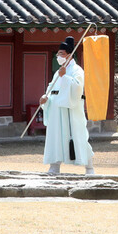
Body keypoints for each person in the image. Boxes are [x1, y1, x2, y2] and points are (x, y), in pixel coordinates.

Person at [41, 36, 94, 175]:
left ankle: (89, 167)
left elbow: (78, 88)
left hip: (71, 109)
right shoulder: (58, 71)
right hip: (56, 108)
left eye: (62, 54)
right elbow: (52, 87)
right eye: (58, 53)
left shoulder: (77, 70)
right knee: (55, 136)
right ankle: (54, 166)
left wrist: (65, 77)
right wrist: (45, 97)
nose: (58, 56)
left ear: (69, 55)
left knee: (78, 135)